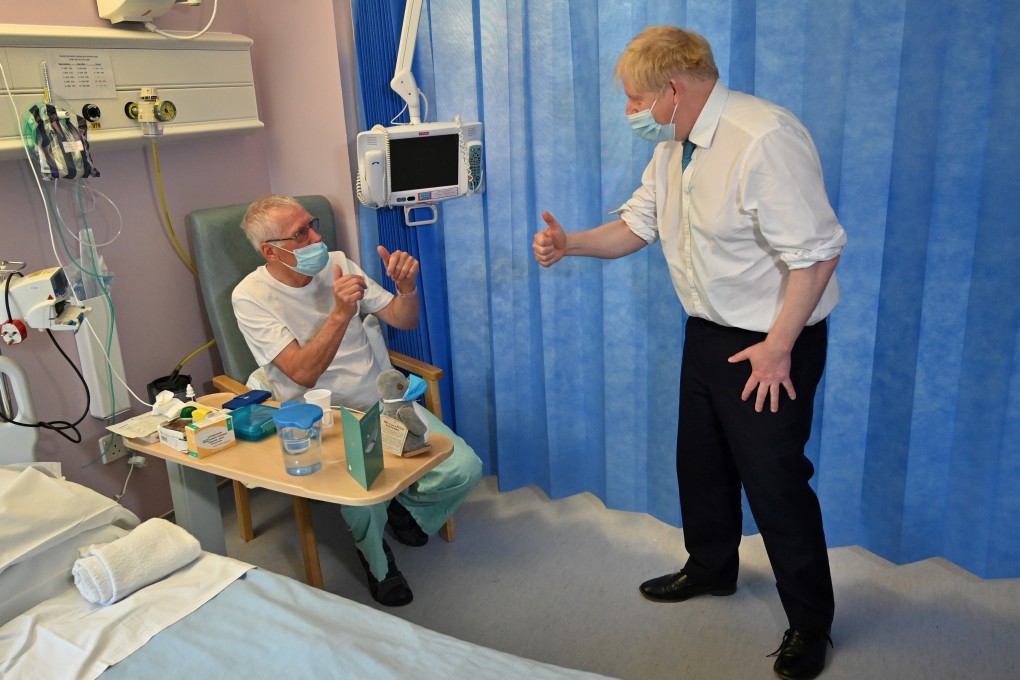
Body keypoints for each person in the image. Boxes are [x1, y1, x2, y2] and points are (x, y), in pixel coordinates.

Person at [532, 26, 846, 680]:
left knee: (776, 485)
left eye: (634, 98)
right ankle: (711, 568)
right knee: (701, 465)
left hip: (771, 340)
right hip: (708, 332)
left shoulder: (764, 138)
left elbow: (816, 255)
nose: (629, 112)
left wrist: (779, 347)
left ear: (673, 91)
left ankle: (810, 625)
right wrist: (571, 245)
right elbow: (636, 225)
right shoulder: (675, 148)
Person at [233, 194, 482, 607]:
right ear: (270, 251)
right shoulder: (251, 297)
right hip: (324, 419)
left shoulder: (339, 262)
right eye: (301, 233)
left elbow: (404, 319)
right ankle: (377, 561)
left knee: (463, 469)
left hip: (381, 402)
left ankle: (402, 506)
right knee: (364, 501)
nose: (317, 236)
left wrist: (406, 288)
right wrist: (339, 313)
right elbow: (302, 372)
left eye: (312, 224)